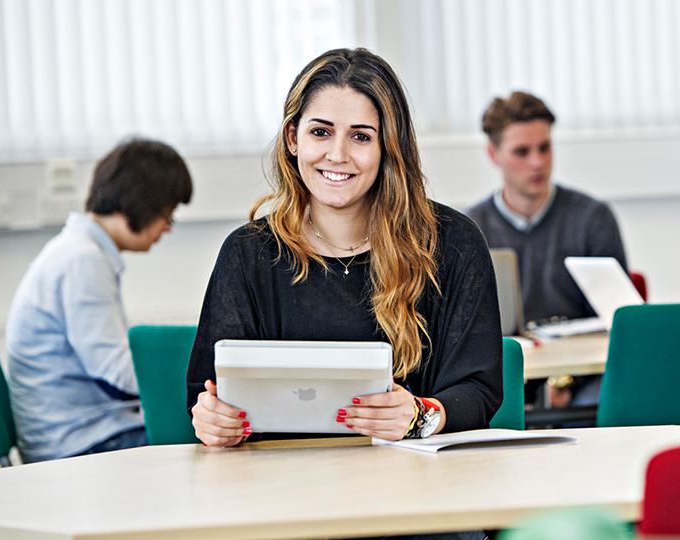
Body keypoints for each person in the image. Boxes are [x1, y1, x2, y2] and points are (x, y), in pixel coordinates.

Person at [186, 48, 502, 453]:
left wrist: (421, 414)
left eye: (360, 136)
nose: (337, 155)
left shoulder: (453, 244)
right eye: (320, 132)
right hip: (282, 490)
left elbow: (479, 390)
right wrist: (214, 421)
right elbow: (205, 394)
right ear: (292, 138)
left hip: (417, 488)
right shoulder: (248, 254)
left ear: (388, 146)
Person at [6, 138, 193, 463]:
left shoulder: (80, 252)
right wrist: (196, 382)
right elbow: (116, 370)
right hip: (78, 444)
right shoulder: (82, 261)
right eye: (167, 214)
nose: (167, 228)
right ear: (139, 204)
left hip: (83, 430)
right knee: (214, 432)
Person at [466, 91, 628, 409]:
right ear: (493, 154)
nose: (537, 162)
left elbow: (618, 323)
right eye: (522, 152)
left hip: (581, 377)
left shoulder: (592, 218)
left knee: (603, 403)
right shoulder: (470, 228)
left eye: (544, 148)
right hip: (505, 377)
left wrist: (566, 381)